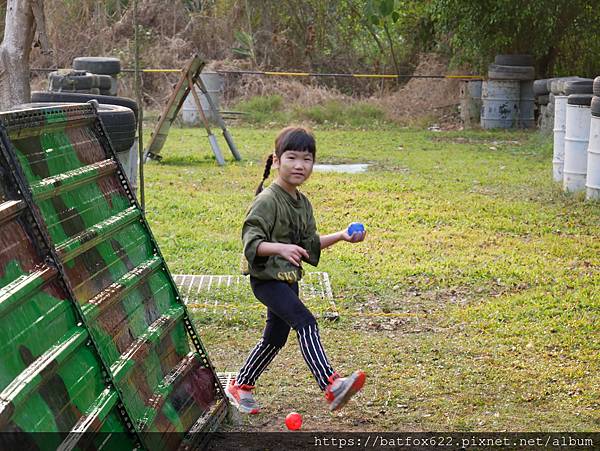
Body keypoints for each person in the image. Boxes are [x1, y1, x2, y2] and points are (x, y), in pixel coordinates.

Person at [225, 126, 367, 415]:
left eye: (307, 159)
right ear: (276, 160)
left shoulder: (303, 204)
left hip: (287, 278)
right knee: (306, 322)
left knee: (275, 338)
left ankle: (240, 384)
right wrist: (279, 248)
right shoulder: (267, 200)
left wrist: (341, 235)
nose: (300, 165)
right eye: (291, 157)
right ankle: (331, 384)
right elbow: (251, 242)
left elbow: (308, 244)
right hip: (265, 279)